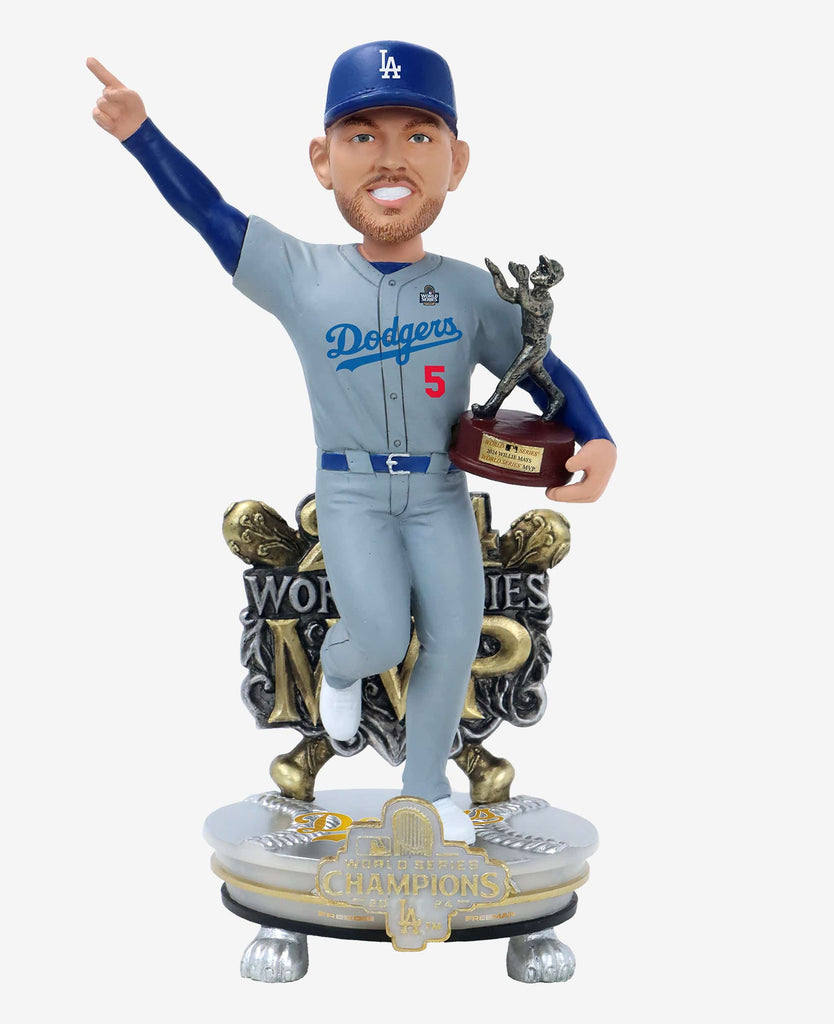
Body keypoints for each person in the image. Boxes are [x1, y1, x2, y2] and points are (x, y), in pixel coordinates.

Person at [88, 41, 616, 843]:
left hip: (439, 490)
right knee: (375, 634)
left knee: (455, 634)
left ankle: (427, 790)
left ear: (456, 162)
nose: (390, 158)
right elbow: (211, 214)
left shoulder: (472, 290)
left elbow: (541, 366)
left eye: (419, 136)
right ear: (322, 159)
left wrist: (596, 435)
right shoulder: (301, 271)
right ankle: (337, 670)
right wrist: (141, 134)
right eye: (363, 136)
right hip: (353, 491)